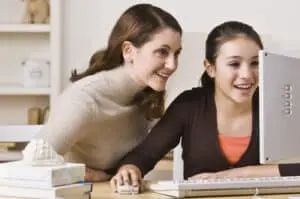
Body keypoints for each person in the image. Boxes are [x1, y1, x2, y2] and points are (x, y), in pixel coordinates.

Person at [110, 20, 300, 191]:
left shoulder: (281, 104)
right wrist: (130, 169)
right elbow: (145, 154)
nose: (247, 75)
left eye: (255, 63)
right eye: (234, 64)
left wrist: (229, 177)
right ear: (210, 68)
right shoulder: (189, 105)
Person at [31, 3, 182, 182]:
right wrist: (92, 175)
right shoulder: (84, 100)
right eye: (162, 52)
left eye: (176, 53)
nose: (172, 65)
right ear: (129, 51)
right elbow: (33, 164)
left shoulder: (148, 94)